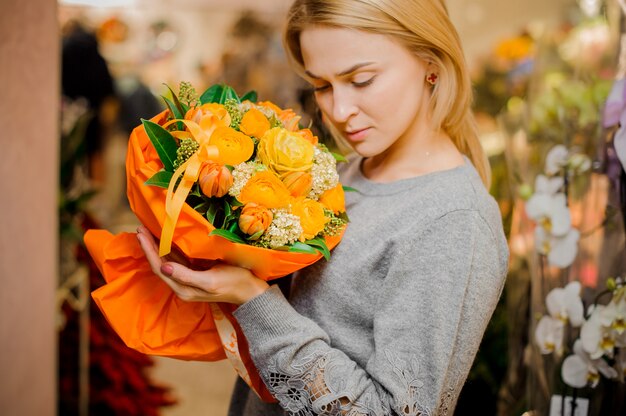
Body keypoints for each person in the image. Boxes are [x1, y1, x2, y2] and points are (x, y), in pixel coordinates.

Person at [136, 0, 509, 414]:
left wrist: (254, 300)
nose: (339, 111)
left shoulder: (453, 221)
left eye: (362, 80)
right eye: (323, 86)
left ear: (430, 63)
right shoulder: (351, 171)